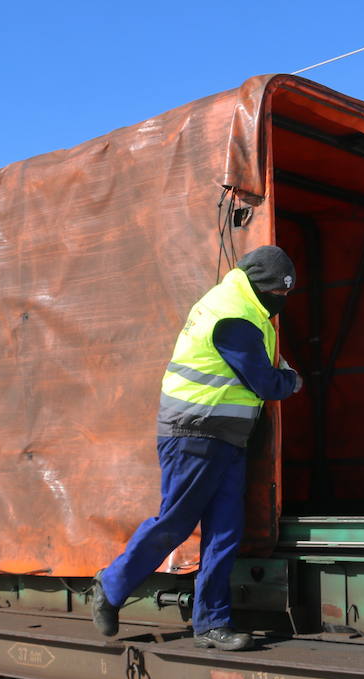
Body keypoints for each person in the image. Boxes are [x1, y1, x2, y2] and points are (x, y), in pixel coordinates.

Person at [92, 246, 303, 651]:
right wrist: (291, 382)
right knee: (176, 521)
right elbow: (263, 382)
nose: (282, 301)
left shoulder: (245, 307)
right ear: (262, 287)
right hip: (194, 433)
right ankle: (111, 583)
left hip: (226, 437)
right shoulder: (233, 316)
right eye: (280, 292)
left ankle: (211, 624)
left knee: (225, 531)